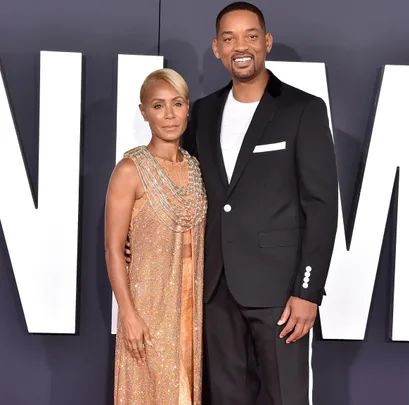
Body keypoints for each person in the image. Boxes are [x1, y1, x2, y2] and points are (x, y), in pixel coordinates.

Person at [183, 2, 339, 405]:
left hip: (279, 294)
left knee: (285, 397)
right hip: (215, 289)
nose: (241, 46)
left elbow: (321, 205)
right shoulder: (201, 113)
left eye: (251, 36)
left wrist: (308, 291)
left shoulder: (302, 110)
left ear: (266, 42)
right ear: (216, 48)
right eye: (229, 38)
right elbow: (182, 190)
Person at [105, 68, 207, 405]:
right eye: (158, 105)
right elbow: (113, 250)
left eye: (176, 104)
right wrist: (129, 316)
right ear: (143, 111)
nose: (169, 115)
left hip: (190, 308)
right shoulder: (129, 170)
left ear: (187, 108)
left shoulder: (194, 168)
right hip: (147, 309)